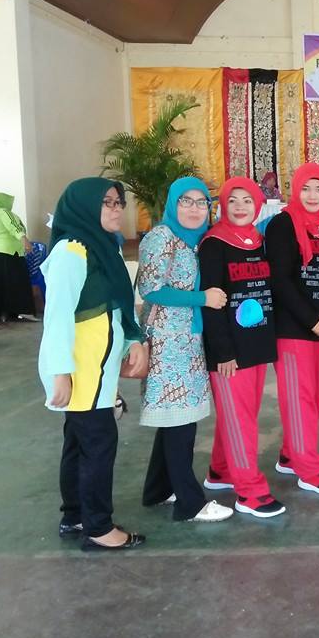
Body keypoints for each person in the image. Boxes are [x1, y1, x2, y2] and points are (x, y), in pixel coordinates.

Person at [38, 178, 148, 550]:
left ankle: (75, 516)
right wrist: (60, 373)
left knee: (78, 442)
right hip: (82, 372)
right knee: (99, 444)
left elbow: (114, 306)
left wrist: (130, 340)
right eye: (107, 202)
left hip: (95, 369)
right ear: (84, 206)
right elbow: (57, 317)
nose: (117, 209)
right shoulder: (72, 251)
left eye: (119, 202)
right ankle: (99, 528)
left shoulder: (101, 246)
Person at [136, 177, 234, 523]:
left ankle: (158, 489)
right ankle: (189, 504)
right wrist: (201, 298)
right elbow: (150, 289)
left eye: (201, 202)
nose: (194, 209)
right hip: (168, 342)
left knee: (174, 418)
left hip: (187, 339)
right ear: (173, 204)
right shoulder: (162, 237)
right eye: (186, 201)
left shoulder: (195, 241)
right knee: (181, 424)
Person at [198, 177, 285, 519]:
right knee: (241, 419)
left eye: (247, 200)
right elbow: (211, 302)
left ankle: (220, 471)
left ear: (258, 205)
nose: (239, 207)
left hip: (257, 343)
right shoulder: (214, 243)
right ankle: (249, 491)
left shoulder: (259, 241)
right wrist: (223, 352)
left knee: (241, 414)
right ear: (222, 204)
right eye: (232, 200)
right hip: (230, 349)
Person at [265, 163, 319, 495]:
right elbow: (280, 280)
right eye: (306, 189)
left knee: (311, 396)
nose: (313, 196)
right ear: (295, 190)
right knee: (299, 399)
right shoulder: (282, 225)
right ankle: (308, 468)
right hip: (292, 326)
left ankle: (290, 454)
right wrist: (311, 319)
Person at [0, 192, 37, 322]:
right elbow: (14, 226)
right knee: (15, 283)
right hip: (8, 253)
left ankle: (0, 314)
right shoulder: (3, 212)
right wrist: (25, 241)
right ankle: (23, 311)